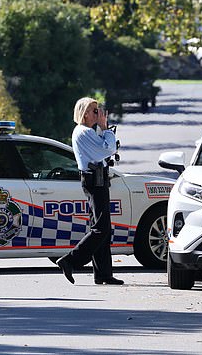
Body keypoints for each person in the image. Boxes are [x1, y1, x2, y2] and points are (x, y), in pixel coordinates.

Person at [55, 97, 123, 285]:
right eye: (95, 111)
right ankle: (70, 260)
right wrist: (106, 129)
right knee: (101, 228)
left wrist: (103, 129)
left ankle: (103, 273)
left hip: (98, 178)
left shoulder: (88, 132)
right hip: (94, 180)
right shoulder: (83, 131)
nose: (99, 114)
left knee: (102, 228)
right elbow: (107, 149)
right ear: (84, 113)